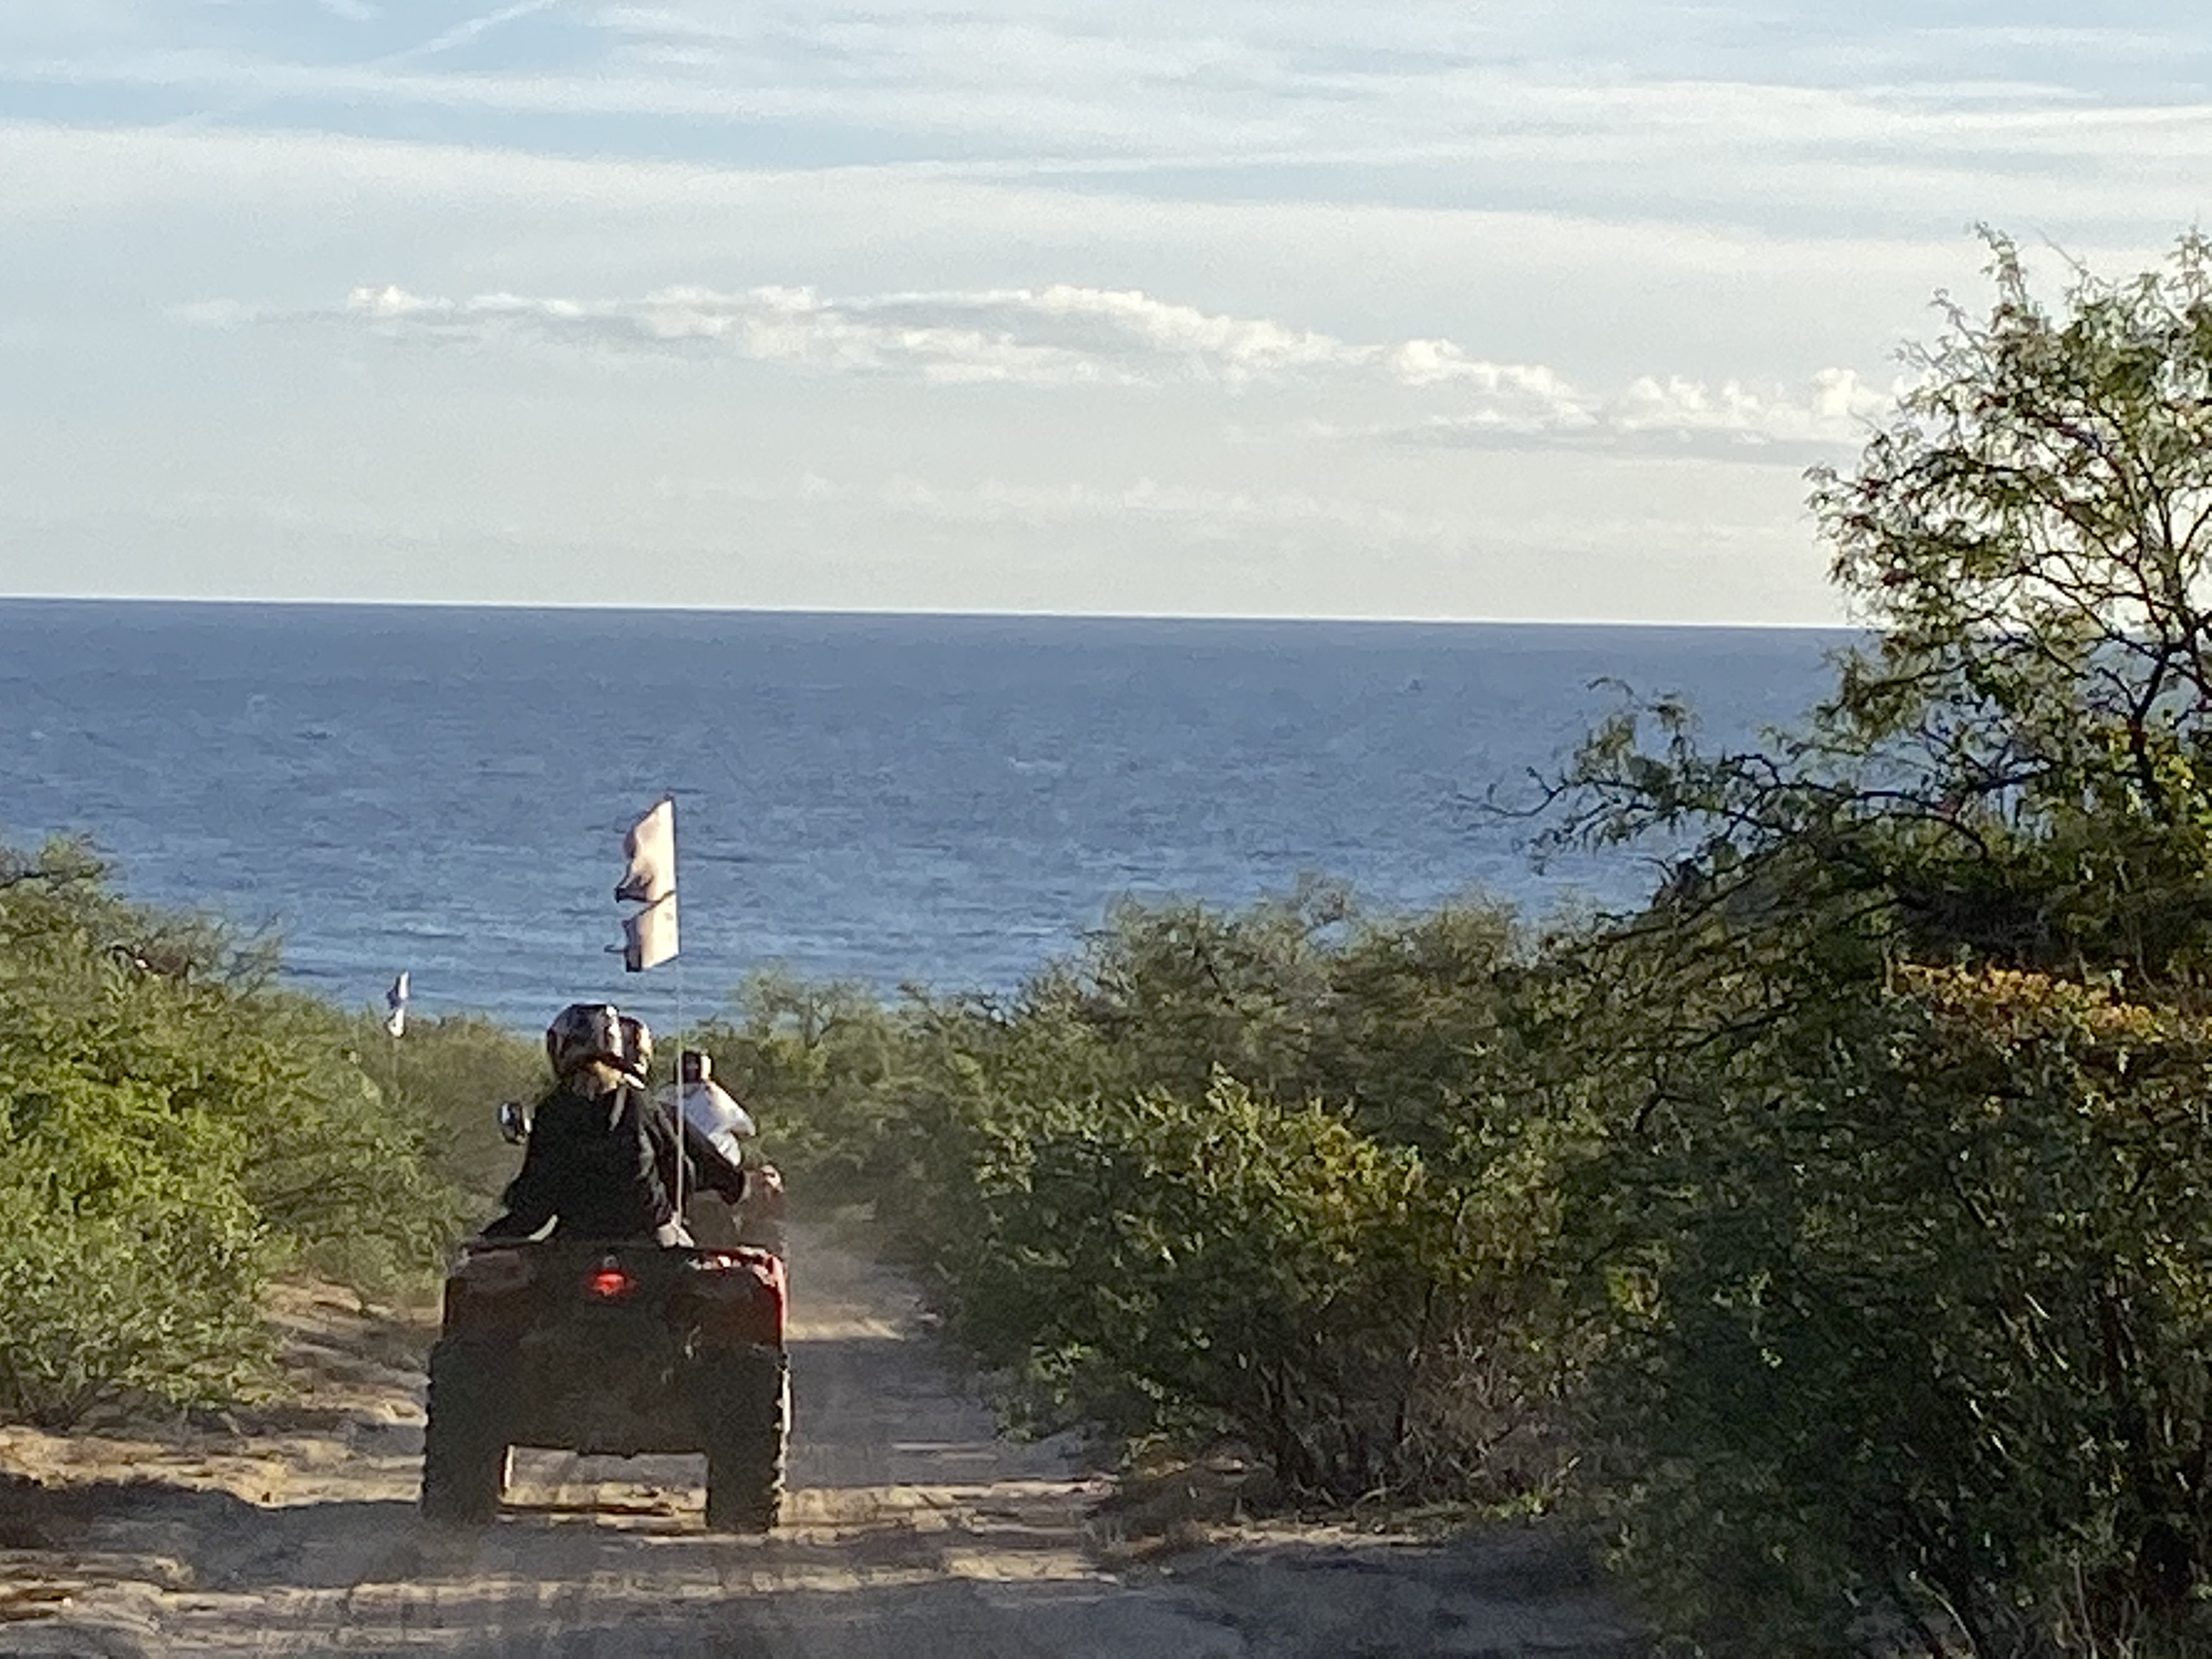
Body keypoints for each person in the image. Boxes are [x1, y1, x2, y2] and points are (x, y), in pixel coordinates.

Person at [479, 1002, 688, 1244]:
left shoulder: (554, 1111)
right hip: (650, 1235)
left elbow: (538, 1196)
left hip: (579, 1238)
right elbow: (681, 1167)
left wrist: (492, 1236)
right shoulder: (640, 1102)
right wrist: (669, 1211)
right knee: (695, 1262)